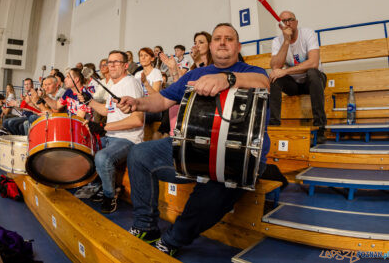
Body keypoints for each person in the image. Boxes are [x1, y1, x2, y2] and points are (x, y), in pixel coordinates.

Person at [118, 23, 270, 256]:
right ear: (210, 46)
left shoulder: (254, 72)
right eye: (217, 38)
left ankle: (172, 239)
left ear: (238, 46)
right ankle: (145, 226)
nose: (222, 42)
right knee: (139, 154)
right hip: (192, 149)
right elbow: (162, 101)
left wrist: (227, 79)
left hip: (237, 158)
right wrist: (138, 103)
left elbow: (264, 84)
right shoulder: (195, 74)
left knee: (214, 189)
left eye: (228, 39)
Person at [84, 50, 144, 213]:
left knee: (102, 157)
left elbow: (137, 120)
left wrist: (104, 128)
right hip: (111, 137)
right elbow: (106, 110)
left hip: (128, 139)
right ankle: (102, 185)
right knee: (84, 149)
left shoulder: (131, 83)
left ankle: (110, 195)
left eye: (116, 62)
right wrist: (90, 101)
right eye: (109, 62)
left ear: (126, 65)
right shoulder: (114, 85)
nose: (111, 65)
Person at [269, 10, 326, 143]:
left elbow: (313, 63)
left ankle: (320, 127)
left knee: (312, 72)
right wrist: (286, 41)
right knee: (274, 78)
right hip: (294, 85)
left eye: (291, 19)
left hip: (314, 81)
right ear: (280, 26)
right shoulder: (277, 41)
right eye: (284, 21)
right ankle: (274, 127)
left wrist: (286, 71)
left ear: (297, 22)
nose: (288, 23)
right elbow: (275, 66)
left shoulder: (307, 33)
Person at [134, 47, 164, 124]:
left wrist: (145, 83)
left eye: (146, 55)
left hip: (153, 108)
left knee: (135, 116)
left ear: (152, 59)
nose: (143, 58)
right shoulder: (137, 74)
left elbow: (155, 96)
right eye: (141, 55)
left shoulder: (156, 72)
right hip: (140, 106)